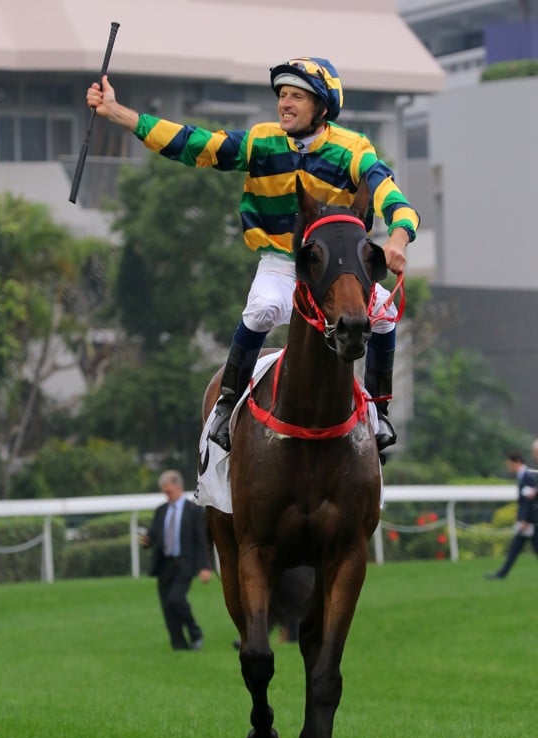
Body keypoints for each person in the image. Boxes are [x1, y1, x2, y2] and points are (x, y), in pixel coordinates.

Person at [86, 57, 419, 454]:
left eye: (297, 96)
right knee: (261, 309)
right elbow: (195, 144)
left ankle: (379, 414)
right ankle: (227, 403)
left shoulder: (353, 150)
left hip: (335, 269)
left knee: (381, 316)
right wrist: (118, 113)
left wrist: (397, 239)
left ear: (323, 109)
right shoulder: (260, 141)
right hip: (280, 261)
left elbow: (392, 196)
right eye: (282, 95)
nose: (285, 104)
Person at [141, 470, 212, 649]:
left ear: (178, 486)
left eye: (168, 489)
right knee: (167, 606)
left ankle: (195, 631)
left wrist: (205, 567)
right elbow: (154, 536)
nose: (165, 493)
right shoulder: (161, 511)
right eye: (163, 490)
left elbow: (201, 540)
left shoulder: (193, 510)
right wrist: (147, 541)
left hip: (184, 564)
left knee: (176, 599)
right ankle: (179, 644)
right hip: (164, 565)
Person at [485, 451, 538, 579]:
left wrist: (524, 519)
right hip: (528, 521)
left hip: (531, 522)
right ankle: (502, 573)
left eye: (510, 464)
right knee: (515, 547)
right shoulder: (524, 476)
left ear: (517, 462)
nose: (508, 467)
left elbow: (529, 501)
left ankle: (501, 574)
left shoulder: (528, 476)